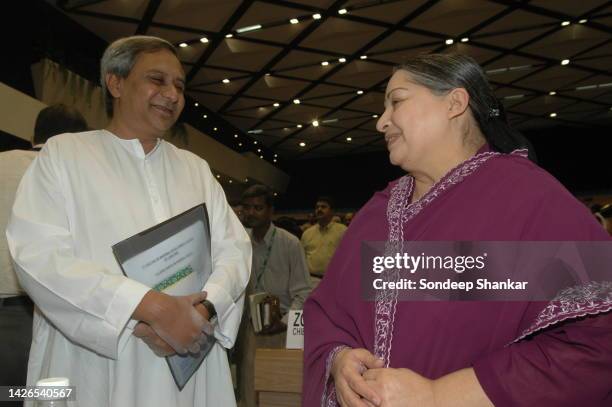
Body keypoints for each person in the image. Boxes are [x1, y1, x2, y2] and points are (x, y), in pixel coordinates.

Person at [303, 53, 612, 407]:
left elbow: (597, 340)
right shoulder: (376, 213)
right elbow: (327, 311)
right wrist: (339, 360)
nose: (381, 122)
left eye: (397, 101)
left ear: (454, 102)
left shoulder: (528, 200)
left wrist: (440, 395)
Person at [6, 36, 251, 407]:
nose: (172, 94)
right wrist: (152, 308)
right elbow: (38, 257)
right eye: (157, 79)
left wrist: (204, 310)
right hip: (100, 354)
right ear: (115, 83)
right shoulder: (66, 155)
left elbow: (234, 249)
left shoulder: (194, 169)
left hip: (190, 348)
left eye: (180, 86)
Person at [0, 104, 87, 399]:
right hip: (47, 322)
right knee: (54, 399)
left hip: (23, 318)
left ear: (34, 133)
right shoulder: (79, 180)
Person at [236, 184, 311, 406]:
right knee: (249, 391)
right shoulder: (239, 243)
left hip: (281, 331)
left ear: (271, 211)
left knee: (278, 392)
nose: (251, 213)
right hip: (249, 330)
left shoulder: (290, 244)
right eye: (247, 208)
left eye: (258, 208)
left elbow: (304, 292)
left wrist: (284, 322)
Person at [301, 197, 347, 280]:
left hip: (335, 278)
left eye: (323, 207)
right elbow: (301, 258)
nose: (319, 209)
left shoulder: (343, 231)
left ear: (332, 211)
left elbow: (348, 256)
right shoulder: (307, 233)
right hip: (311, 279)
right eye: (317, 207)